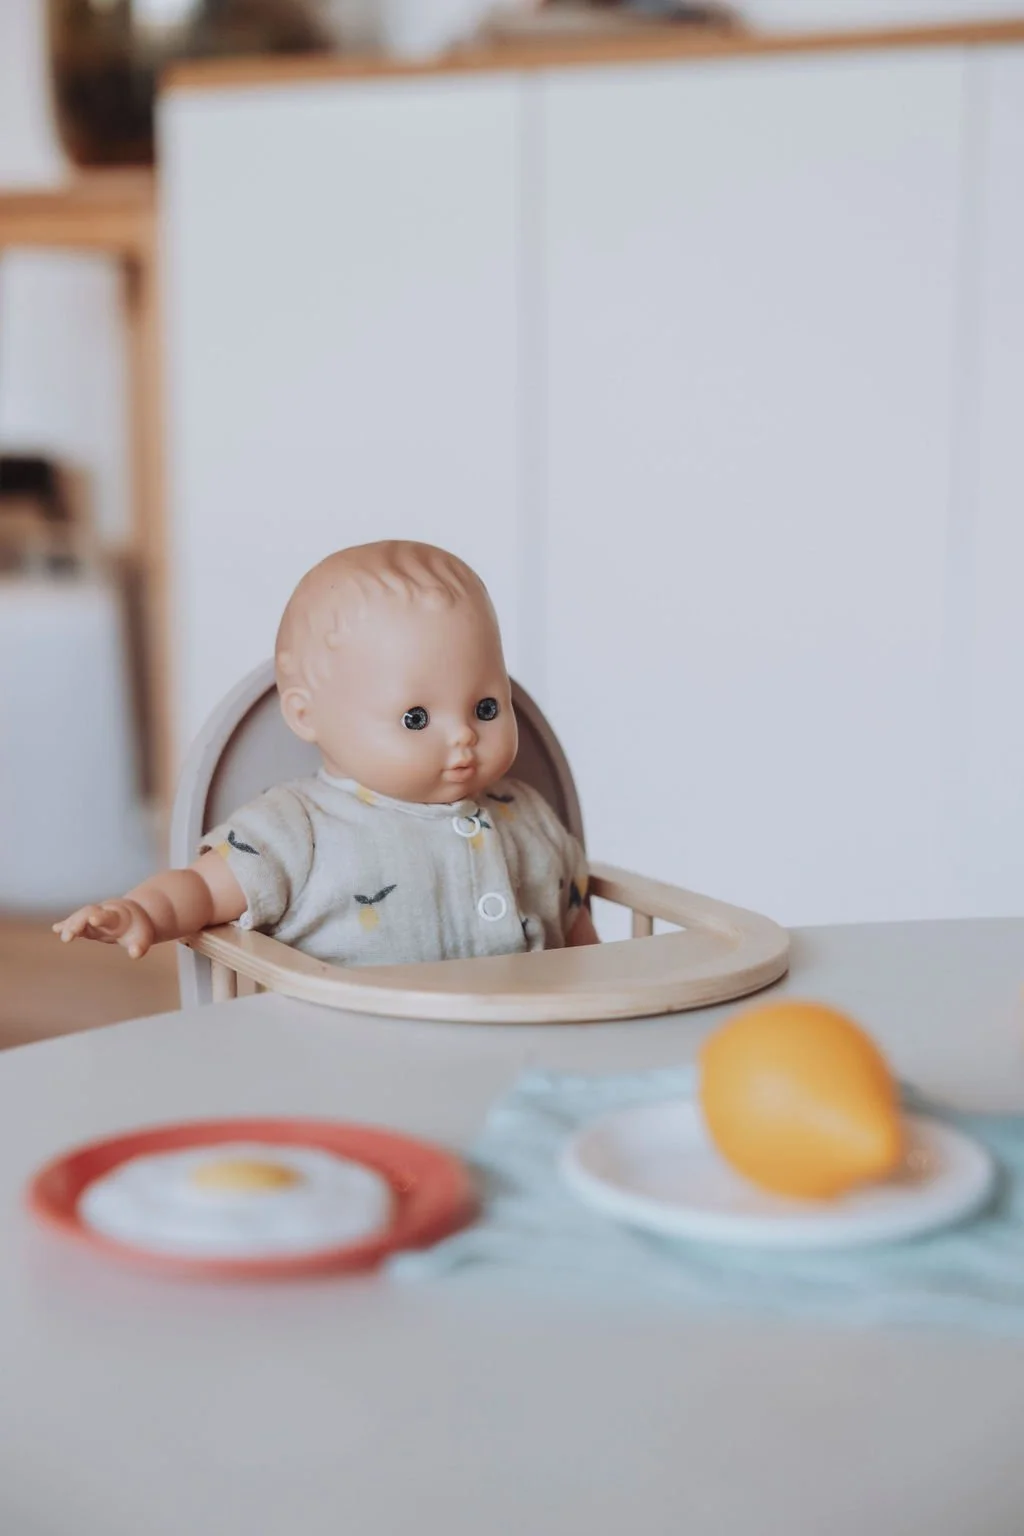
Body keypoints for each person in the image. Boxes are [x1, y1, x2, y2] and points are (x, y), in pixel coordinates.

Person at [55, 540, 599, 966]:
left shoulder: (529, 816)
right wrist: (141, 912)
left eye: (485, 708)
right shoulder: (297, 828)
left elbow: (581, 942)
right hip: (349, 1067)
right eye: (416, 718)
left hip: (527, 1054)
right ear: (305, 715)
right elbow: (198, 887)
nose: (463, 735)